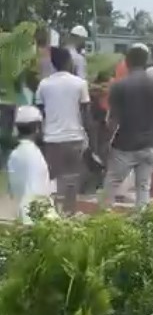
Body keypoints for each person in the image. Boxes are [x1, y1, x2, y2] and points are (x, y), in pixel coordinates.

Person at [103, 44, 153, 208]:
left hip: (125, 147)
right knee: (143, 189)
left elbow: (112, 121)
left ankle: (101, 224)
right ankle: (142, 226)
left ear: (127, 62)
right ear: (147, 62)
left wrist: (106, 143)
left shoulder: (119, 86)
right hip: (149, 147)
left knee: (110, 188)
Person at [36, 46, 94, 214]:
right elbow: (86, 114)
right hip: (74, 138)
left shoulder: (44, 85)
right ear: (69, 62)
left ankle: (52, 213)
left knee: (53, 180)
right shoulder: (79, 84)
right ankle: (69, 214)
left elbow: (40, 113)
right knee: (72, 179)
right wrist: (91, 140)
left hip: (51, 139)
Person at [7, 105, 56, 223]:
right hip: (35, 220)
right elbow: (37, 193)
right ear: (37, 127)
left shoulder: (15, 154)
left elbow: (14, 191)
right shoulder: (34, 155)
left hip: (21, 216)